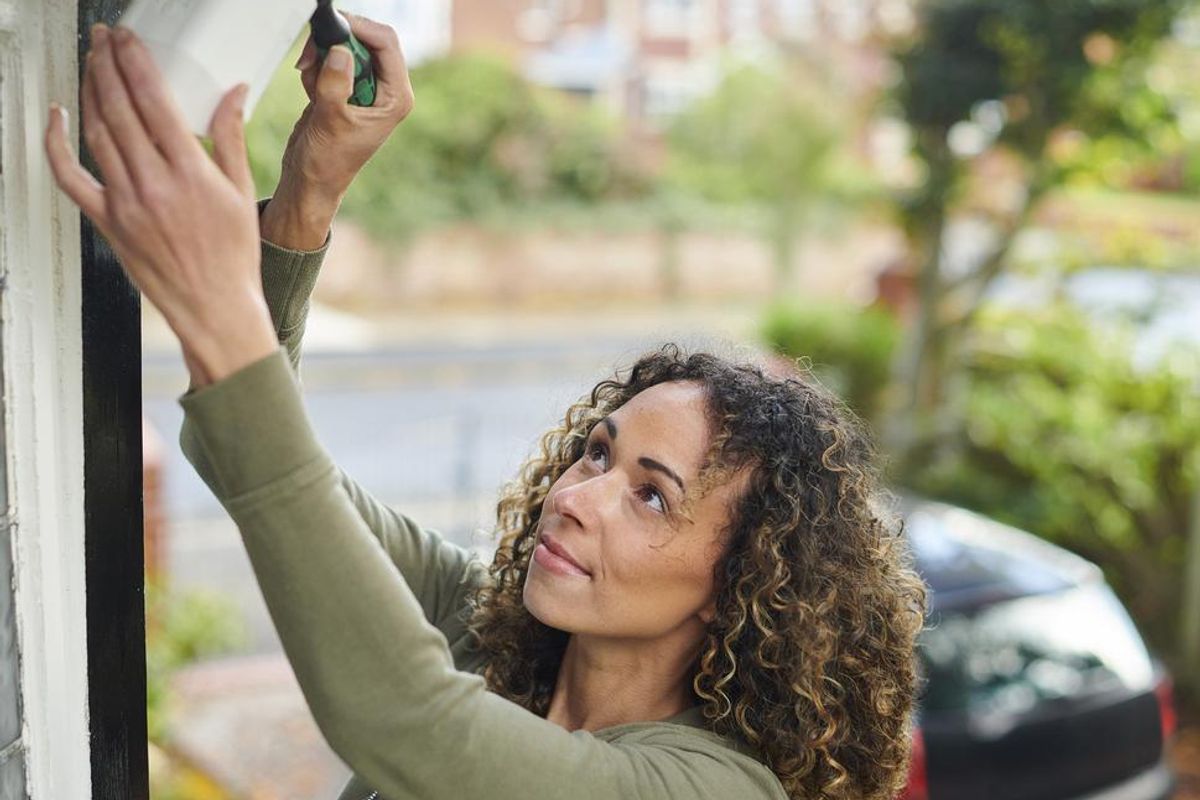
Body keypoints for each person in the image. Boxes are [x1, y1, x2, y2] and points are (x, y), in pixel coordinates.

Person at [44, 17, 927, 800]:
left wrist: (219, 307)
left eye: (652, 495)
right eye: (597, 454)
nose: (576, 497)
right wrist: (307, 196)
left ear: (742, 583)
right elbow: (251, 457)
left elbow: (416, 726)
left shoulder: (715, 786)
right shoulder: (496, 635)